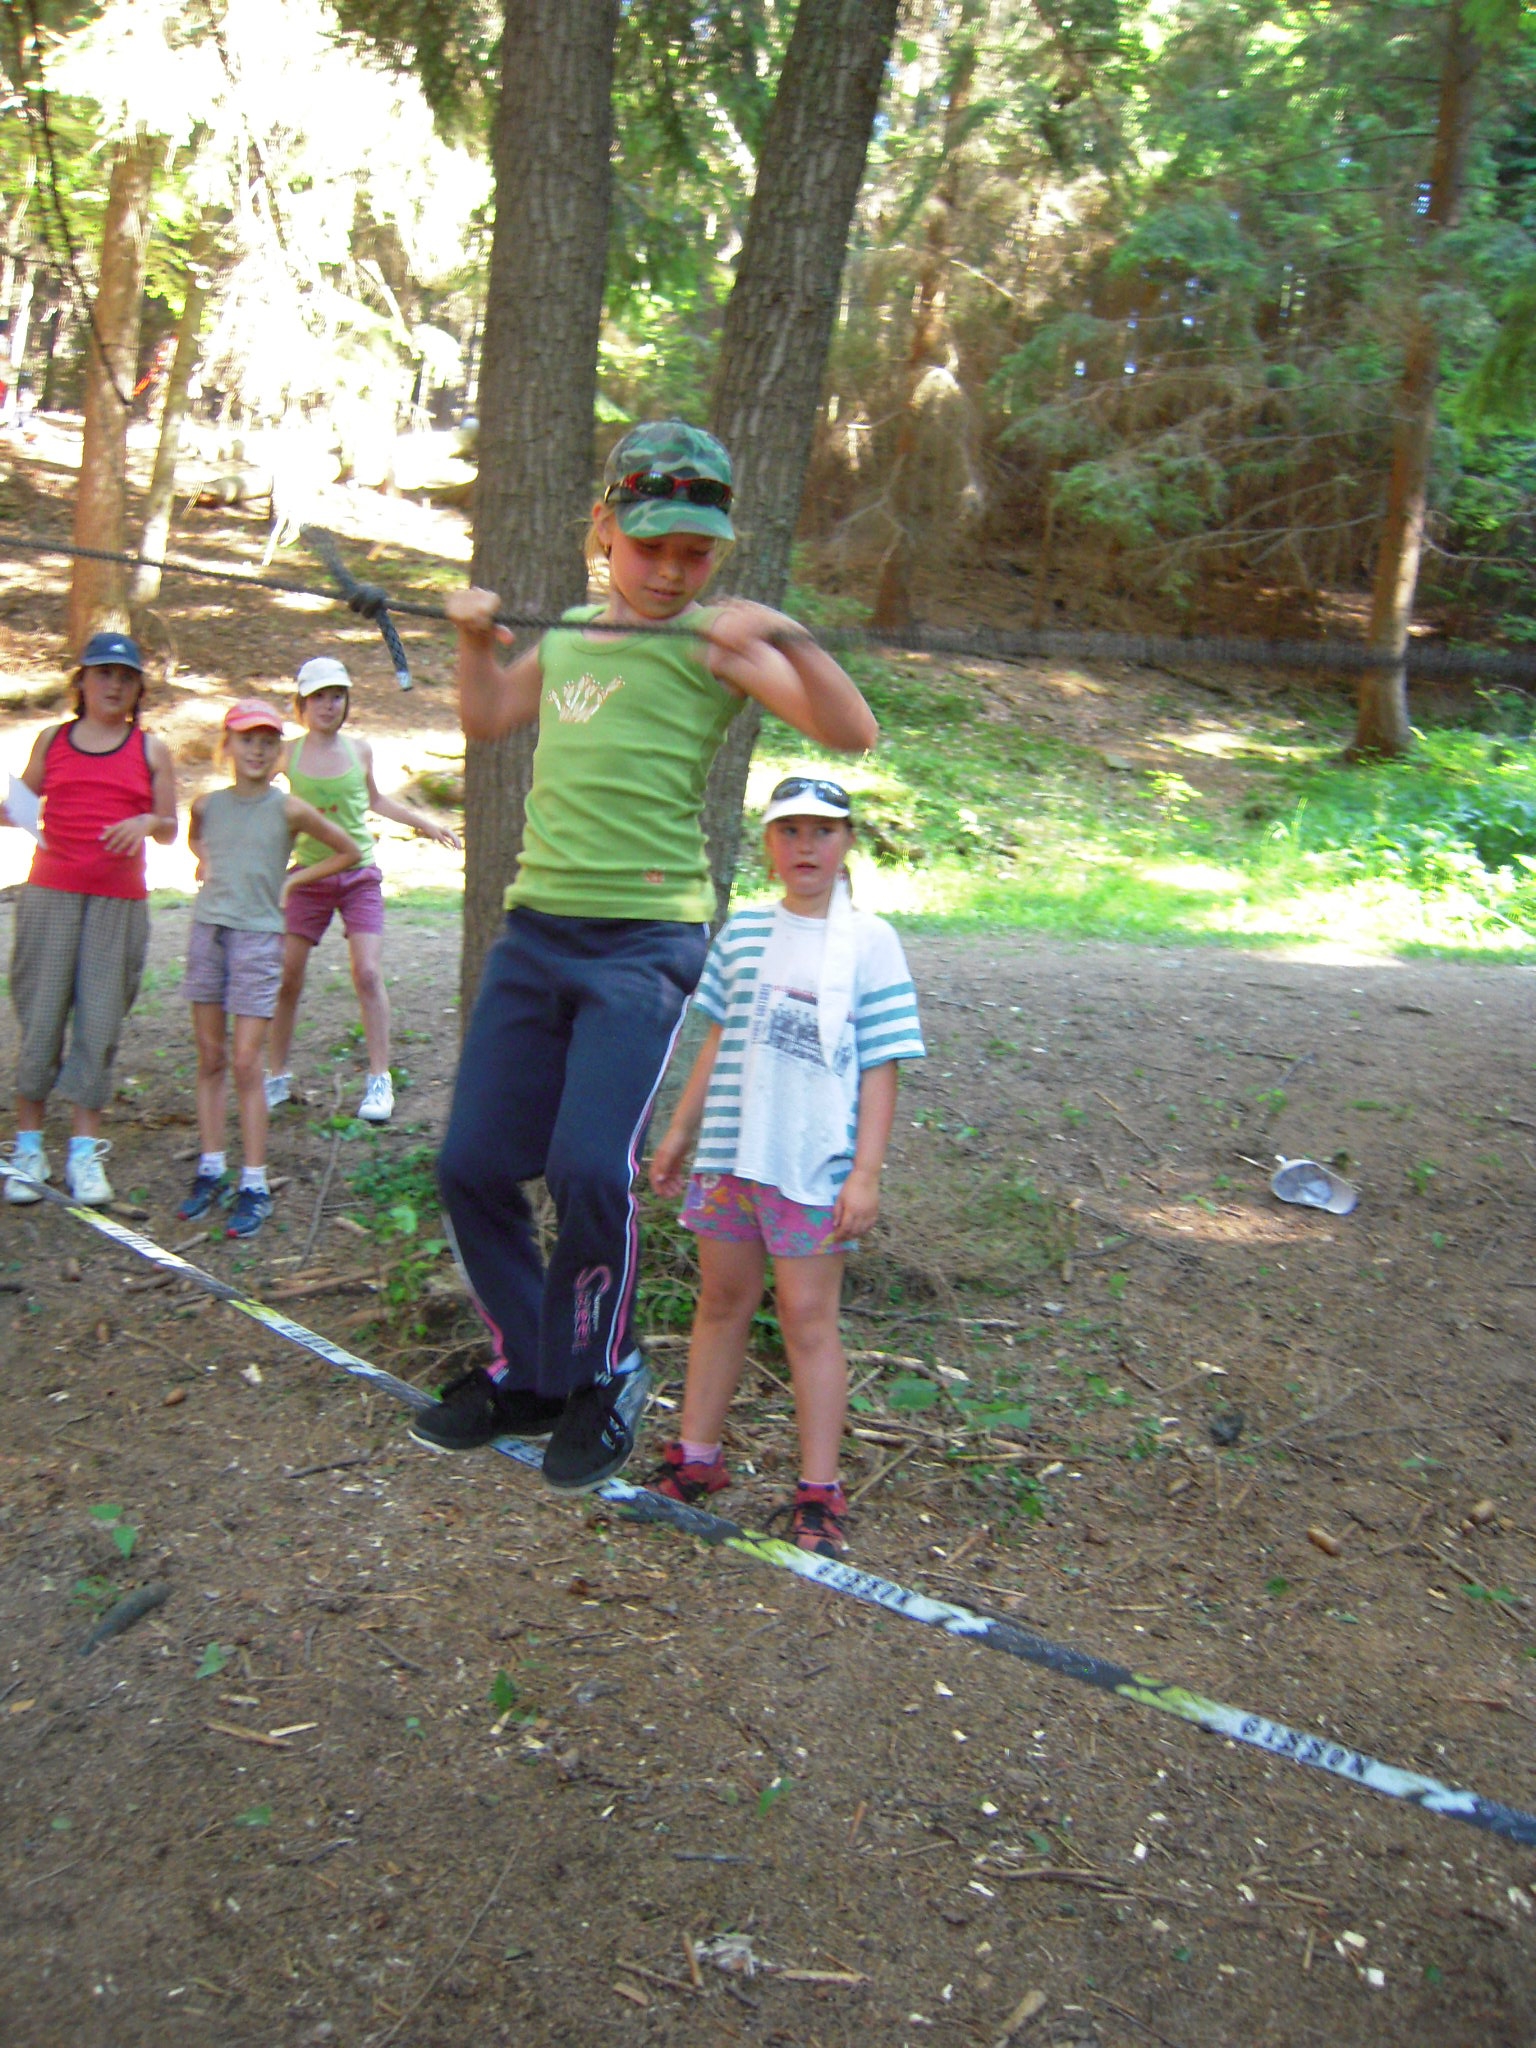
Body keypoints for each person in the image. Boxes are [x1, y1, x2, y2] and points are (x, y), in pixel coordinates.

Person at [411, 419, 879, 1493]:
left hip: (644, 943)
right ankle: (531, 1368)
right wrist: (475, 641)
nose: (671, 572)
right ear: (604, 529)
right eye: (651, 547)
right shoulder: (571, 636)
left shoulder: (718, 644)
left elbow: (850, 731)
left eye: (695, 554)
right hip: (536, 934)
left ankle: (603, 1369)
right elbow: (488, 717)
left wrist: (786, 631)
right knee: (471, 1164)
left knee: (588, 1165)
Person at [647, 778, 925, 1554]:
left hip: (812, 1162)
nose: (806, 846)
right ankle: (697, 1458)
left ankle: (819, 1490)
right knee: (720, 1302)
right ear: (768, 845)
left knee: (807, 1318)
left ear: (848, 843)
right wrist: (679, 1132)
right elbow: (717, 1037)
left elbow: (882, 1063)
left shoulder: (872, 940)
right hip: (732, 1152)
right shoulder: (743, 932)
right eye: (789, 831)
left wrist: (865, 1173)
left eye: (823, 831)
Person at [2, 631, 177, 1208]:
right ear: (81, 682)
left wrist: (146, 823)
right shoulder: (52, 740)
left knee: (99, 1021)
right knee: (41, 1014)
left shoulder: (151, 750)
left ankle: (83, 1151)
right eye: (104, 674)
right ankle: (29, 1147)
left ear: (138, 690)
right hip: (50, 893)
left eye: (126, 678)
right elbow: (18, 805)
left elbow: (170, 826)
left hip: (117, 901)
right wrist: (12, 808)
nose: (114, 686)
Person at [179, 699, 360, 1238]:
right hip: (209, 931)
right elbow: (196, 835)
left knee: (245, 1060)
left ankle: (254, 1182)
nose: (256, 750)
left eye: (266, 742)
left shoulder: (289, 809)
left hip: (258, 939)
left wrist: (293, 880)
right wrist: (203, 858)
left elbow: (347, 850)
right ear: (227, 746)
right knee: (210, 1055)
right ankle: (211, 1166)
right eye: (246, 740)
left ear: (279, 751)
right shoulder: (208, 804)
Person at [264, 655, 461, 1125]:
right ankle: (275, 1074)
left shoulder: (360, 751)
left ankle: (379, 1078)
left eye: (337, 696)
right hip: (308, 876)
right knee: (288, 975)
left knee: (368, 973)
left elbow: (374, 799)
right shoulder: (286, 754)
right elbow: (257, 797)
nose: (328, 706)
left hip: (358, 875)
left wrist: (425, 823)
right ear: (301, 705)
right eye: (318, 697)